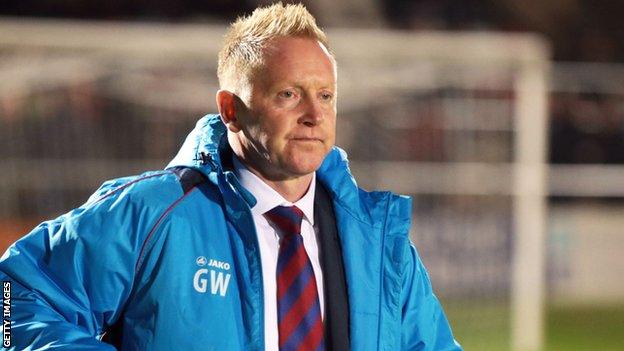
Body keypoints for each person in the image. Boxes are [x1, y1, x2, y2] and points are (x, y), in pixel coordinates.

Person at [0, 3, 461, 351]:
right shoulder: (153, 213)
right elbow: (12, 298)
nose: (313, 115)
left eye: (325, 95)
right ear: (230, 110)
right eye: (288, 94)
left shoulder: (380, 244)